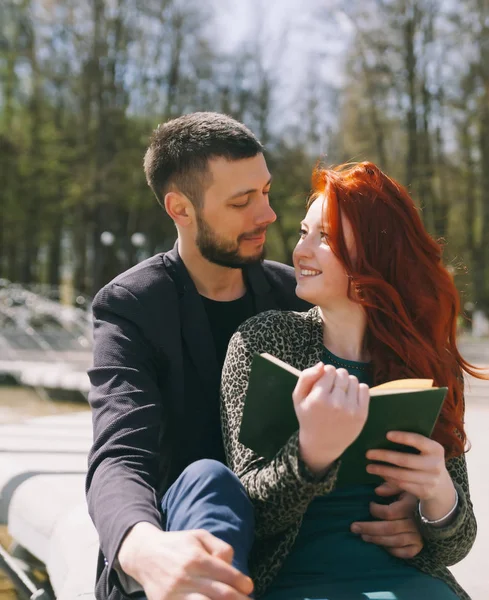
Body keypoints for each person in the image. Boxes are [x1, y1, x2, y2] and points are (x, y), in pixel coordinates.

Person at [86, 113, 423, 600]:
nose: (267, 215)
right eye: (242, 201)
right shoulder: (131, 307)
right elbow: (118, 455)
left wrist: (416, 513)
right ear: (180, 209)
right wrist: (143, 547)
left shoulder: (299, 293)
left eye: (265, 191)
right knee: (208, 477)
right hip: (185, 538)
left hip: (288, 552)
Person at [221, 161, 483, 600]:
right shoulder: (263, 340)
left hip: (410, 581)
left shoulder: (426, 360)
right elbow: (246, 512)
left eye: (324, 238)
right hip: (291, 581)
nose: (301, 252)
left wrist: (437, 496)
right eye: (304, 233)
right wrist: (311, 456)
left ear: (375, 252)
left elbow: (457, 543)